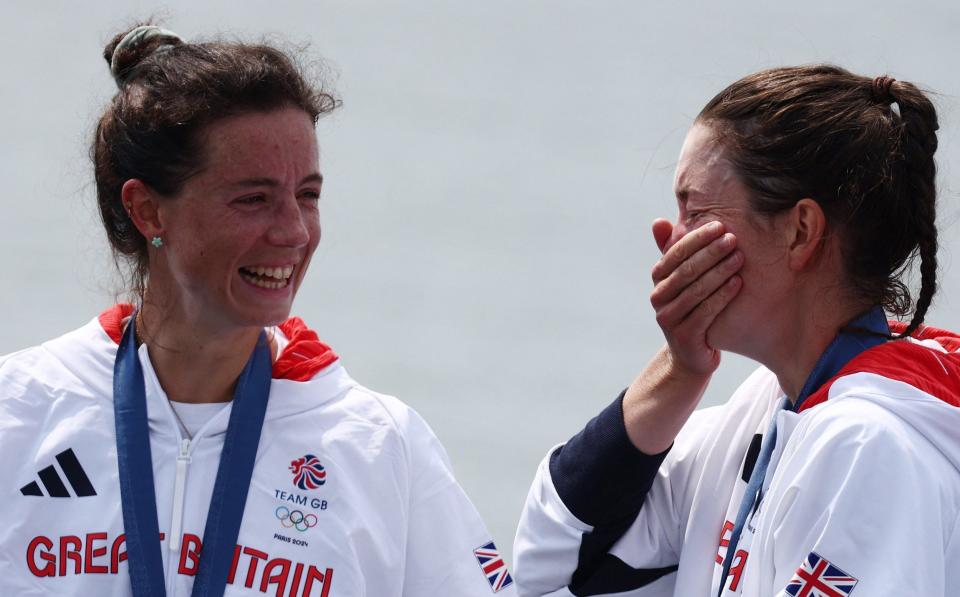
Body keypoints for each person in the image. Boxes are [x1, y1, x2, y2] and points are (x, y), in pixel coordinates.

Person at [0, 24, 516, 597]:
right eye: (254, 199)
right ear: (148, 211)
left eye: (308, 196)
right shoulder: (18, 414)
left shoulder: (378, 446)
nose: (295, 232)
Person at [513, 65, 960, 596]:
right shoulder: (770, 406)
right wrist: (681, 369)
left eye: (695, 210)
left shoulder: (867, 444)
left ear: (801, 232)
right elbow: (555, 564)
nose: (670, 240)